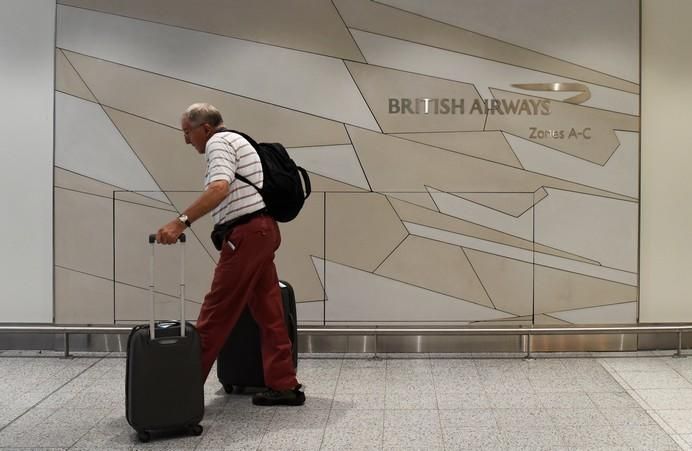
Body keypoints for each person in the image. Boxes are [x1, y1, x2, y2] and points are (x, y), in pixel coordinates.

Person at [155, 103, 304, 406]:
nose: (186, 140)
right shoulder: (237, 139)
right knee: (269, 312)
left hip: (246, 236)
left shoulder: (218, 143)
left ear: (205, 128)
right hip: (263, 231)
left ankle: (178, 392)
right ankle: (284, 384)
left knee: (216, 312)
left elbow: (220, 187)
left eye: (187, 132)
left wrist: (180, 221)